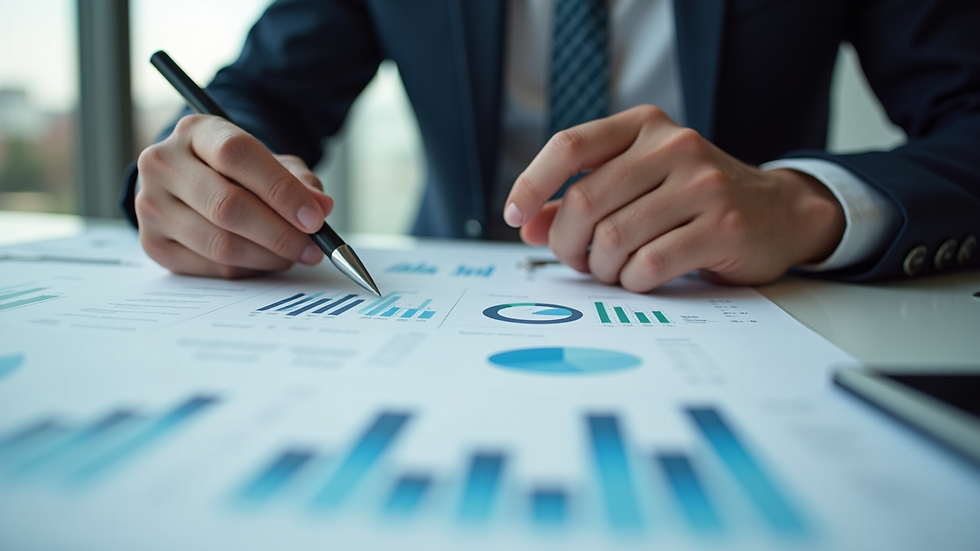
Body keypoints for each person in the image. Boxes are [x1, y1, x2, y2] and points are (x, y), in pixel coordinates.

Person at [122, 0, 980, 291]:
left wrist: (803, 202)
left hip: (747, 310)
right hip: (439, 324)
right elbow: (258, 95)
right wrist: (204, 172)